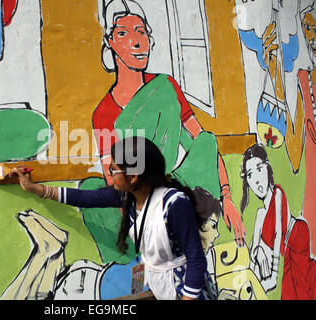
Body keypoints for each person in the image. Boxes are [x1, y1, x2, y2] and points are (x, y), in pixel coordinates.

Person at [92, 0, 245, 246]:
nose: (136, 41)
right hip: (150, 204)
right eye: (123, 33)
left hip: (191, 186)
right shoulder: (104, 113)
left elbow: (204, 141)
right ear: (110, 42)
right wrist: (147, 219)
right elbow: (114, 181)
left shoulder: (166, 86)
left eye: (141, 31)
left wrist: (227, 197)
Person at [12, 136, 209, 300]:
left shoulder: (174, 204)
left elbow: (196, 259)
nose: (110, 174)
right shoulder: (128, 197)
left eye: (114, 170)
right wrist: (33, 188)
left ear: (133, 177)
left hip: (185, 291)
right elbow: (83, 198)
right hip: (160, 287)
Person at [240, 143, 316, 299]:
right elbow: (253, 254)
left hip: (297, 247)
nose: (256, 180)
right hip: (287, 258)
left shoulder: (278, 195)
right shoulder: (260, 214)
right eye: (250, 174)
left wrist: (258, 287)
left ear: (267, 168)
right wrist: (257, 252)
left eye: (259, 169)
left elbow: (273, 277)